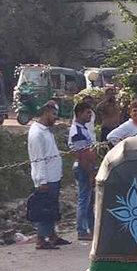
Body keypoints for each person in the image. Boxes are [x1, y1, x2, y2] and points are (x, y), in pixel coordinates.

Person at [27, 103, 68, 250]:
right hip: (46, 178)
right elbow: (38, 159)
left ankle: (52, 236)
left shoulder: (45, 131)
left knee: (52, 208)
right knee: (45, 209)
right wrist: (42, 181)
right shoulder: (37, 133)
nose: (55, 118)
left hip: (53, 176)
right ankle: (40, 239)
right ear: (45, 113)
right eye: (53, 114)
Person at [68, 102, 97, 241]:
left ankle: (91, 228)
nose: (89, 115)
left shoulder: (83, 128)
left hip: (88, 166)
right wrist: (91, 172)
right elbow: (82, 155)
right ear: (79, 114)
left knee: (90, 200)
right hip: (83, 167)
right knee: (84, 199)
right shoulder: (77, 132)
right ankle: (81, 230)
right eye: (87, 112)